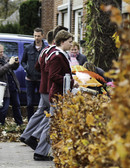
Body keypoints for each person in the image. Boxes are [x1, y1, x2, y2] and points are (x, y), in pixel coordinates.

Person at [33, 30, 78, 161]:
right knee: (51, 124)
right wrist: (71, 81)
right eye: (69, 42)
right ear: (62, 42)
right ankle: (40, 152)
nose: (71, 44)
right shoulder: (57, 56)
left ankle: (43, 150)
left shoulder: (59, 55)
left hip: (58, 93)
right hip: (57, 94)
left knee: (51, 123)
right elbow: (53, 76)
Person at [0, 43, 23, 126]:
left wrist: (16, 63)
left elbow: (13, 68)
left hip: (12, 85)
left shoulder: (4, 57)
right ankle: (0, 125)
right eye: (0, 52)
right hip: (2, 89)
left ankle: (19, 123)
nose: (2, 53)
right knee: (4, 109)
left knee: (17, 106)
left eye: (3, 51)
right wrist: (9, 64)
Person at [21, 28, 48, 120]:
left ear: (42, 36)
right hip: (30, 79)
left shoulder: (46, 49)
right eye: (35, 36)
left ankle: (41, 121)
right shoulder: (28, 48)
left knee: (42, 102)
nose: (36, 38)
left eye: (38, 36)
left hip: (41, 80)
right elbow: (23, 61)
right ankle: (30, 121)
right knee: (29, 103)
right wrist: (27, 68)